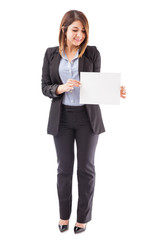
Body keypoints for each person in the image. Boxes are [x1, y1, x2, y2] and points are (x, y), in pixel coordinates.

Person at [41, 10, 126, 234]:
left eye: (83, 30)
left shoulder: (92, 53)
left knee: (86, 169)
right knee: (64, 169)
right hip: (62, 119)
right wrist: (60, 88)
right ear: (64, 30)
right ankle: (63, 215)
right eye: (75, 30)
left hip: (88, 119)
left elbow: (96, 85)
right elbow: (44, 86)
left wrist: (113, 90)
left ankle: (82, 217)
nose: (80, 34)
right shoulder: (51, 54)